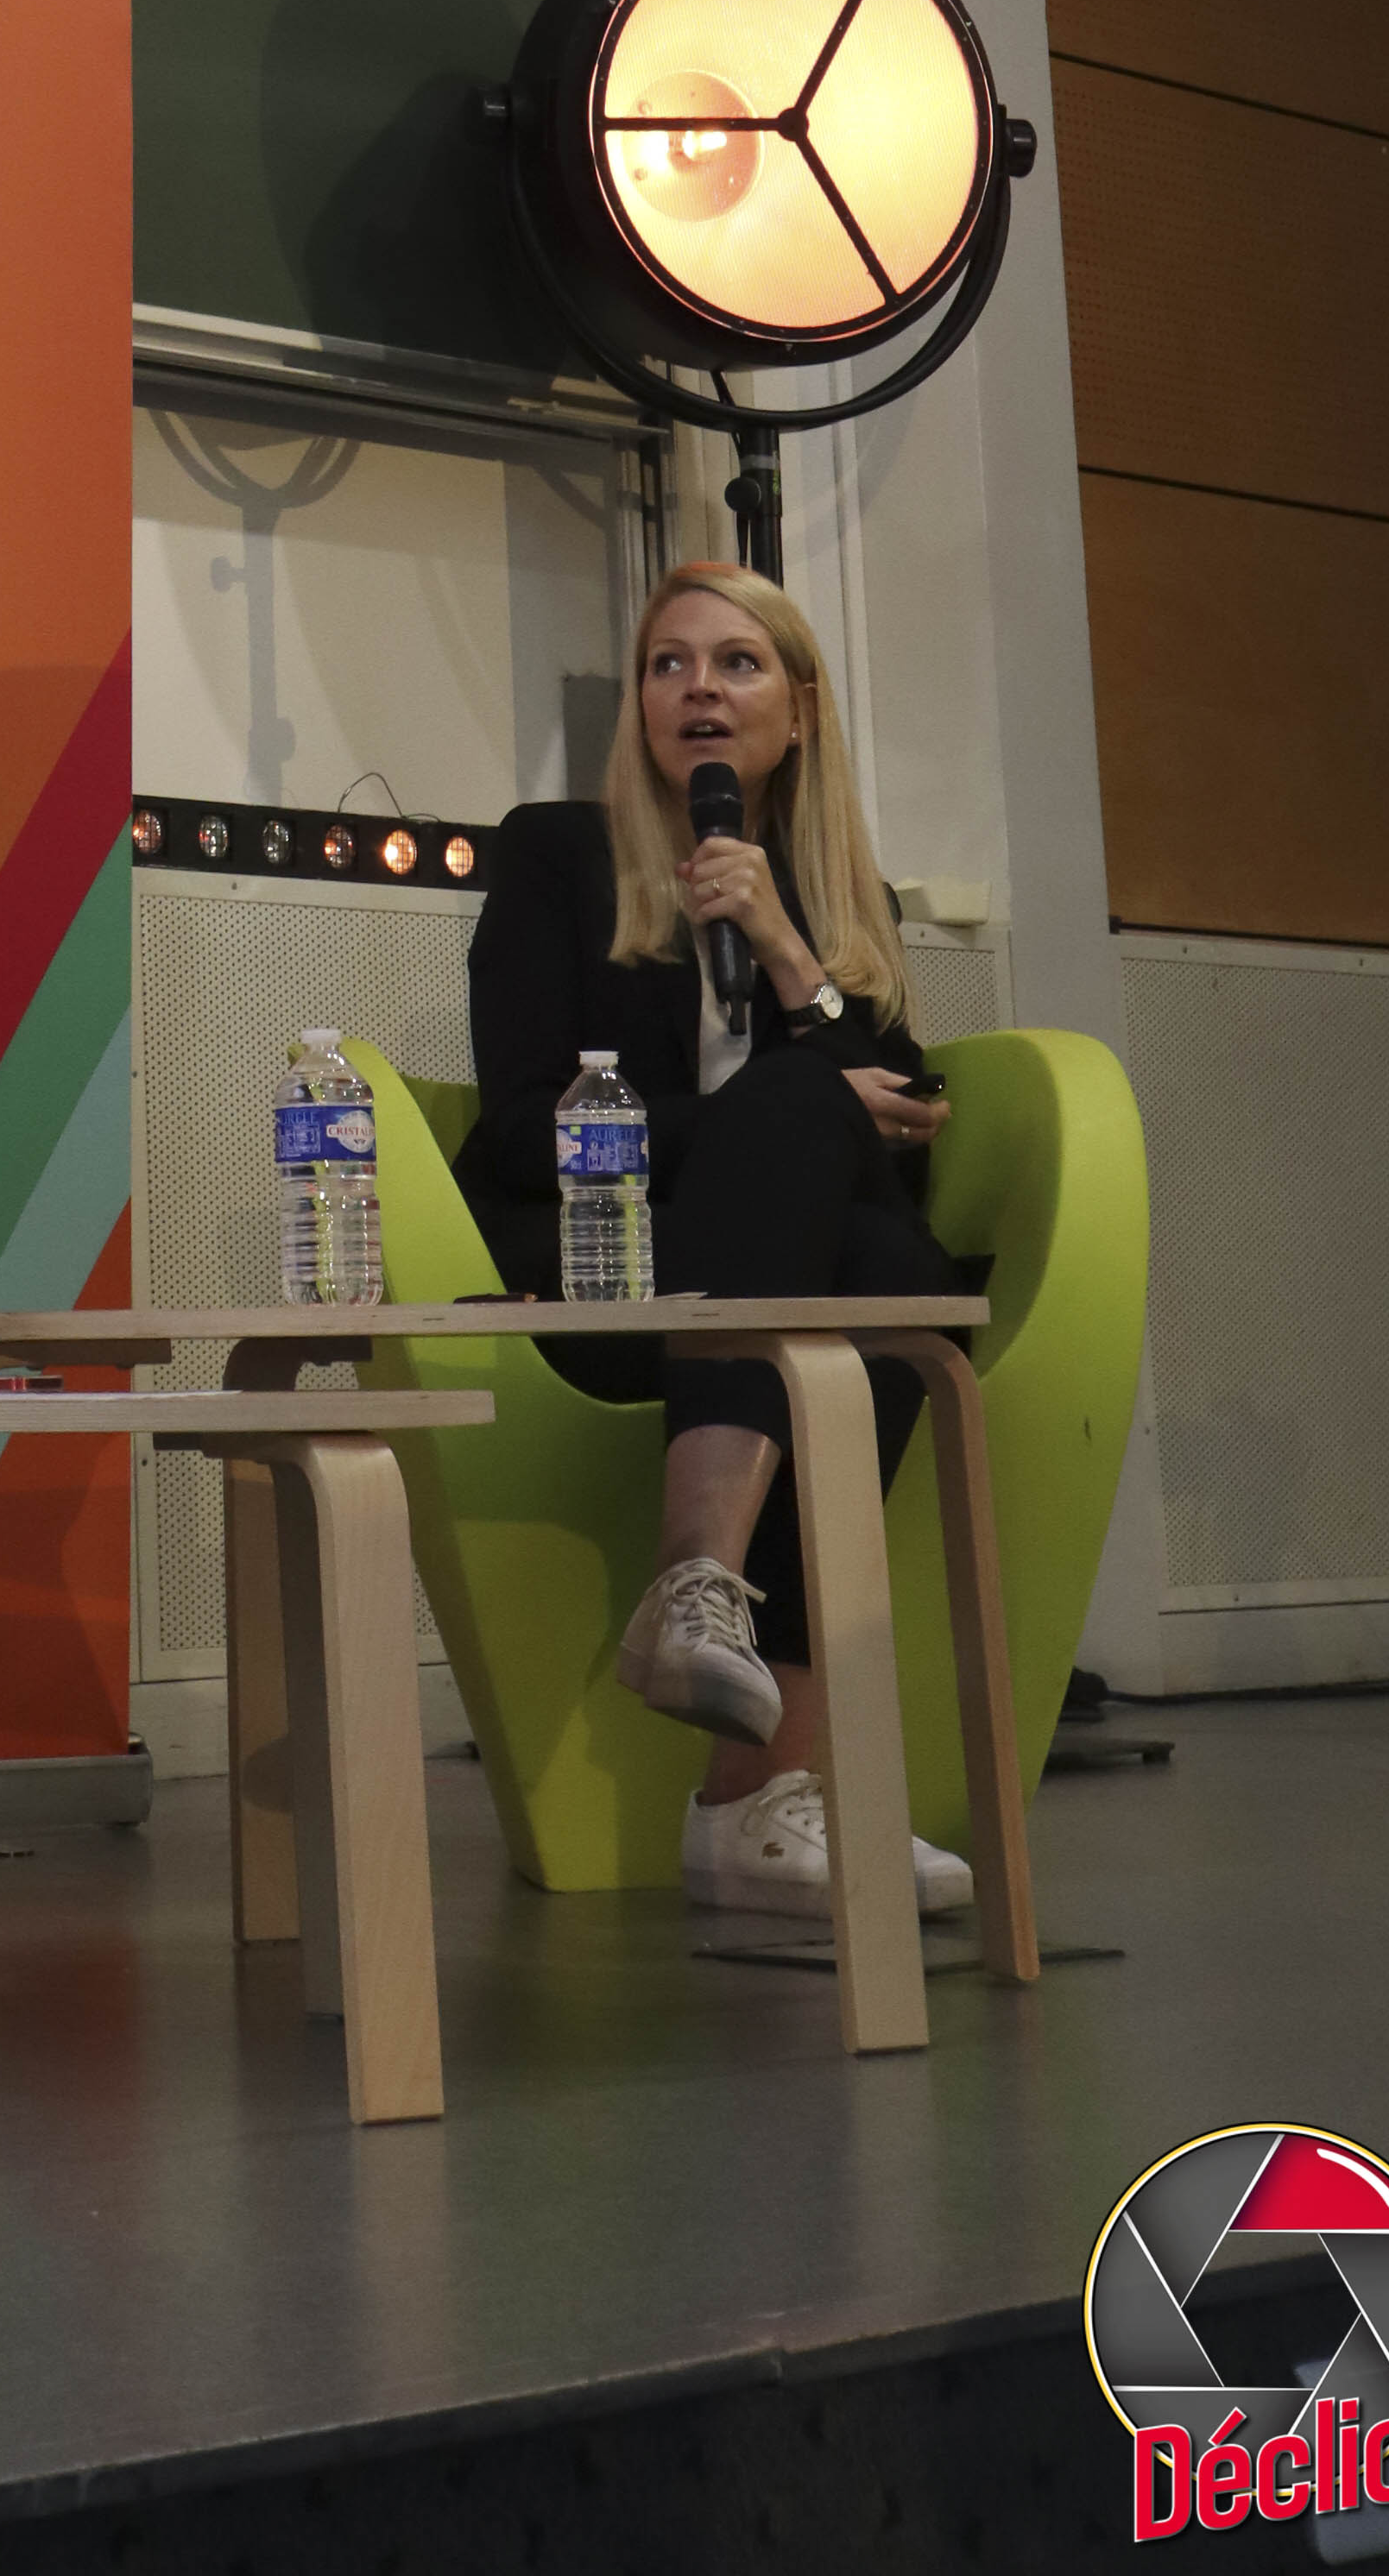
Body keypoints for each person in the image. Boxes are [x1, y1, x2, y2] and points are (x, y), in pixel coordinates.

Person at [455, 563, 976, 1926]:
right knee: (818, 1144)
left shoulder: (831, 897)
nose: (697, 688)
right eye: (668, 663)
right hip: (602, 1267)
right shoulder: (557, 856)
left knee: (887, 1271)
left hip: (793, 1280)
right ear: (642, 704)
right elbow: (517, 1130)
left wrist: (789, 950)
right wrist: (769, 1114)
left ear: (797, 712)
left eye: (737, 663)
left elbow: (908, 1133)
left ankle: (735, 1724)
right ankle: (743, 1732)